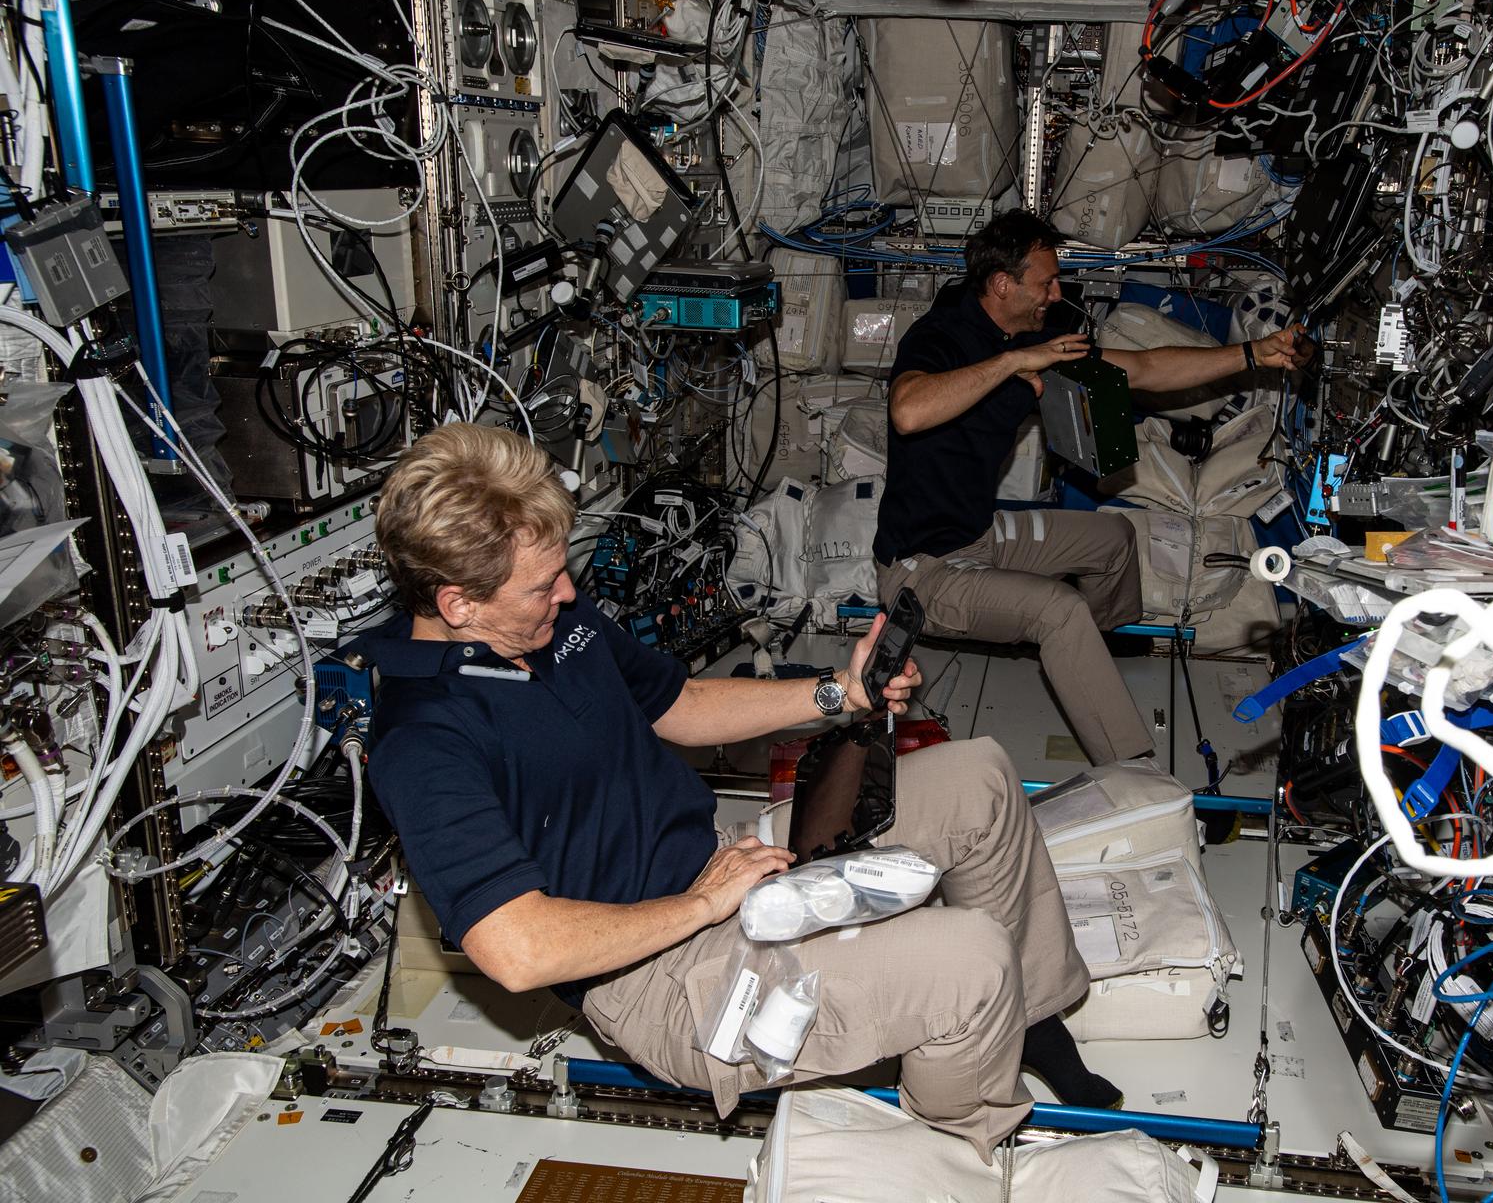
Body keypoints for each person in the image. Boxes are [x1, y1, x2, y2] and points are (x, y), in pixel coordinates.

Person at [353, 423, 1114, 1163]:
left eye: (560, 569)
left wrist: (840, 693)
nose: (566, 590)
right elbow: (515, 950)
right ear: (459, 605)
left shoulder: (555, 621)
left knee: (979, 774)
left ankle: (1033, 1014)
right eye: (540, 584)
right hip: (660, 977)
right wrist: (702, 906)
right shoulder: (423, 741)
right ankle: (965, 1153)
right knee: (971, 960)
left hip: (725, 864)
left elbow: (680, 705)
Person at [873, 210, 1314, 766]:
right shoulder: (941, 336)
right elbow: (909, 411)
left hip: (978, 533)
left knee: (1112, 538)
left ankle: (1090, 649)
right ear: (1002, 284)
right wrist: (1013, 363)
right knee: (1058, 610)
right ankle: (1136, 779)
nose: (1055, 294)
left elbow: (1145, 368)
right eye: (1044, 283)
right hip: (922, 568)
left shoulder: (1036, 331)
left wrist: (1254, 354)